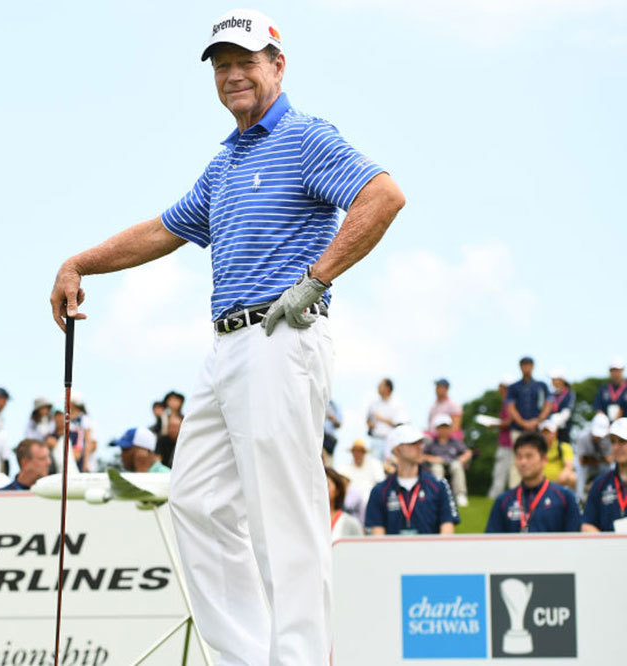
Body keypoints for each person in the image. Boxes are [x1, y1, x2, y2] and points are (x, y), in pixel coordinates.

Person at [48, 10, 404, 663]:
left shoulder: (305, 136)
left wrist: (315, 279)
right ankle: (248, 656)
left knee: (284, 516)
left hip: (283, 333)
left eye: (246, 61)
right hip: (227, 346)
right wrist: (79, 263)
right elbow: (163, 229)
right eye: (222, 65)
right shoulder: (225, 163)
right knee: (197, 500)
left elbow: (382, 197)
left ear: (278, 65)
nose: (233, 74)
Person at [365, 425, 459, 536]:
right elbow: (378, 536)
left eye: (420, 443)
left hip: (431, 548)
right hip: (394, 548)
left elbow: (447, 531)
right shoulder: (379, 491)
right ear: (396, 449)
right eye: (413, 443)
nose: (419, 447)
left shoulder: (440, 485)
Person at [486, 432, 581, 533]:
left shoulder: (565, 497)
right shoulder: (503, 500)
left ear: (544, 460)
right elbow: (491, 540)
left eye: (529, 456)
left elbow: (575, 538)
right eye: (519, 456)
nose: (523, 462)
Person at [581, 417, 627, 533]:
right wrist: (606, 542)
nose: (616, 447)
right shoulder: (600, 483)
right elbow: (587, 524)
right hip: (607, 544)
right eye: (613, 442)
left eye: (622, 441)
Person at [422, 412, 472, 507]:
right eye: (441, 427)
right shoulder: (431, 444)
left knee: (456, 466)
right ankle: (438, 494)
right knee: (437, 468)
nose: (443, 430)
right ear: (436, 428)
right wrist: (433, 459)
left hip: (452, 464)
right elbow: (422, 455)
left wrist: (461, 459)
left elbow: (467, 452)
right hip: (437, 466)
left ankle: (460, 494)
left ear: (450, 428)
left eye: (446, 427)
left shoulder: (455, 442)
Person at [506, 356, 552, 441]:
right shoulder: (513, 387)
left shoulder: (542, 386)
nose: (526, 367)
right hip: (518, 429)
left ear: (532, 366)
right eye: (524, 365)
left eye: (528, 365)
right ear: (520, 367)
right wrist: (523, 423)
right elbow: (511, 407)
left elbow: (548, 405)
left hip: (538, 428)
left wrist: (537, 421)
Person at [488, 377, 520, 498]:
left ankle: (497, 496)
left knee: (502, 472)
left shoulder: (510, 402)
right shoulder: (508, 402)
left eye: (501, 387)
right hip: (507, 442)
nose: (499, 389)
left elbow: (510, 421)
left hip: (508, 443)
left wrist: (496, 424)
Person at [574, 413, 612, 500]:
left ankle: (609, 495)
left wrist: (600, 460)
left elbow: (610, 459)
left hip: (602, 466)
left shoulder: (609, 438)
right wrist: (599, 460)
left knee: (612, 469)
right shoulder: (583, 437)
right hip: (587, 466)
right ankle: (579, 499)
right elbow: (582, 461)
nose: (597, 437)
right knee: (580, 471)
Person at [366, 378, 405, 464]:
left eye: (380, 386)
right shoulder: (374, 404)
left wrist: (380, 418)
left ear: (387, 388)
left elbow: (398, 423)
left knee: (390, 465)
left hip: (390, 441)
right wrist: (370, 424)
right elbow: (368, 419)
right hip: (376, 439)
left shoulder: (396, 404)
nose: (378, 387)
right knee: (375, 464)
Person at [336, 439, 386, 503]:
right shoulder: (344, 469)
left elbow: (381, 484)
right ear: (352, 453)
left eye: (360, 451)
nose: (358, 454)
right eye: (355, 451)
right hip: (351, 503)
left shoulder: (375, 465)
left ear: (364, 453)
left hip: (371, 500)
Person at [325, 467, 364, 540]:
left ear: (337, 490)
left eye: (327, 485)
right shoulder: (310, 520)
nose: (322, 490)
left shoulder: (351, 523)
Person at [539, 417, 576, 490]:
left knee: (572, 477)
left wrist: (561, 478)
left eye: (548, 432)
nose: (546, 435)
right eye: (544, 432)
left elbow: (569, 466)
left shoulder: (564, 446)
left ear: (555, 433)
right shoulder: (536, 448)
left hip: (558, 482)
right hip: (540, 480)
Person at [67, 394, 96, 472]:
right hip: (70, 456)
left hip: (80, 458)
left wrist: (85, 463)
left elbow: (88, 441)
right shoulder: (67, 418)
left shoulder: (85, 419)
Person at [592, 357, 627, 421]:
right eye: (613, 370)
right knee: (599, 419)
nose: (616, 373)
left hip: (624, 422)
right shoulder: (603, 389)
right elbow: (598, 409)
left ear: (622, 370)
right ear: (610, 371)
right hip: (607, 423)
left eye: (618, 370)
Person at [548, 368, 575, 444]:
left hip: (564, 429)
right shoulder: (551, 393)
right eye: (552, 380)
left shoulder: (570, 393)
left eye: (555, 379)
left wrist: (554, 423)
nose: (553, 382)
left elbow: (567, 412)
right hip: (549, 428)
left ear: (562, 380)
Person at [323, 399, 341, 465]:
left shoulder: (335, 406)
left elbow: (339, 424)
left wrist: (332, 418)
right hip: (317, 439)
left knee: (328, 465)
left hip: (328, 441)